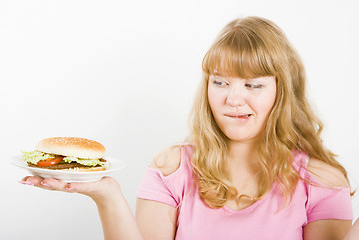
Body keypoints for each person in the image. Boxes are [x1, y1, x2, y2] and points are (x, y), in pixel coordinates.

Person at [21, 16, 358, 240]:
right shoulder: (172, 168)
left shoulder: (321, 180)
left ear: (281, 93)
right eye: (221, 82)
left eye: (253, 85)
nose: (233, 99)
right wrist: (106, 195)